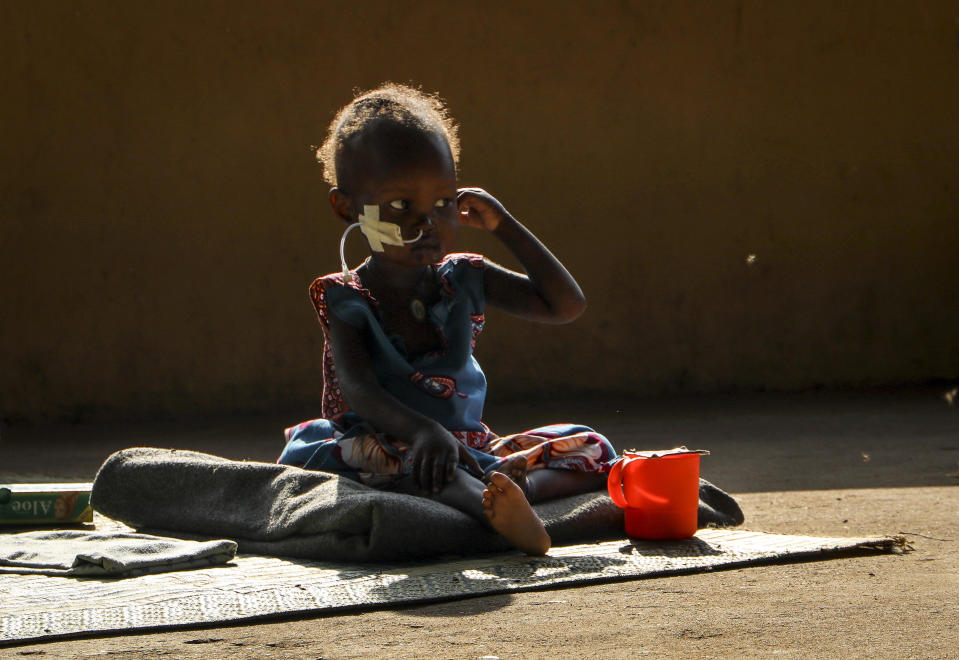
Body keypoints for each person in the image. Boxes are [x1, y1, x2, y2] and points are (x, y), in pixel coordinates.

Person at [279, 83, 617, 555]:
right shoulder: (345, 297)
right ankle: (489, 505)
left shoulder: (464, 277)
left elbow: (566, 305)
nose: (427, 224)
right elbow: (359, 390)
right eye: (400, 207)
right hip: (388, 440)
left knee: (591, 446)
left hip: (468, 445)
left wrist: (505, 225)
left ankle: (517, 494)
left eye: (442, 204)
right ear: (347, 208)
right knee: (407, 465)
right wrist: (422, 432)